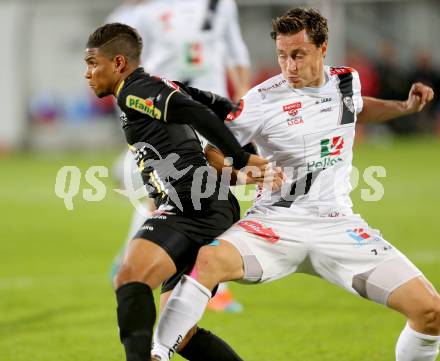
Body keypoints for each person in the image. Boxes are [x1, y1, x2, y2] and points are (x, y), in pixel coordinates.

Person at [151, 8, 440, 361]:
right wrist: (243, 173)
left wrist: (405, 107)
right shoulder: (261, 100)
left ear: (322, 48)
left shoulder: (347, 81)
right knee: (210, 260)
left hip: (338, 225)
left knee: (431, 313)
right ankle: (157, 353)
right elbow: (212, 151)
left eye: (298, 55)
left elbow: (357, 108)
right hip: (275, 224)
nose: (289, 66)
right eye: (282, 56)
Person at [83, 23, 271, 361]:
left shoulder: (134, 90)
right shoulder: (154, 88)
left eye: (93, 63)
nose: (88, 73)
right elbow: (210, 104)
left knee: (130, 276)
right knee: (179, 336)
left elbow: (194, 110)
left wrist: (241, 156)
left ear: (119, 63)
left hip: (193, 207)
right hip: (205, 205)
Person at [108, 0, 252, 312]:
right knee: (160, 192)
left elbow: (235, 47)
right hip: (163, 111)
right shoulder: (146, 11)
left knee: (212, 190)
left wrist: (241, 95)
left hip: (206, 109)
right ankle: (133, 260)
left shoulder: (220, 4)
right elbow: (127, 54)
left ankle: (212, 284)